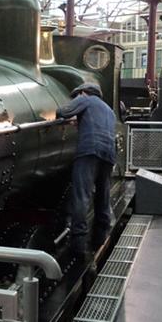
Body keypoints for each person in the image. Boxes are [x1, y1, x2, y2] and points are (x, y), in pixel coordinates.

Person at [56, 82, 116, 261]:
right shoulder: (108, 110)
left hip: (89, 151)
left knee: (81, 196)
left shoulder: (86, 100)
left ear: (83, 93)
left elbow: (62, 112)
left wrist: (74, 111)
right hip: (108, 154)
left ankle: (78, 245)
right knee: (102, 196)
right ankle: (100, 237)